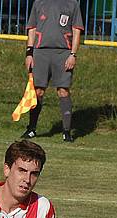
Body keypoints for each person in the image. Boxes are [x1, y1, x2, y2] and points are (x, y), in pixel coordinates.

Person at [23, 0, 84, 142]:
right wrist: (29, 53)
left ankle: (67, 131)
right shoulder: (39, 2)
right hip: (41, 52)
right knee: (38, 91)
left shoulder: (72, 4)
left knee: (63, 90)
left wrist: (73, 54)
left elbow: (76, 30)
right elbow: (32, 28)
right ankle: (31, 128)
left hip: (62, 53)